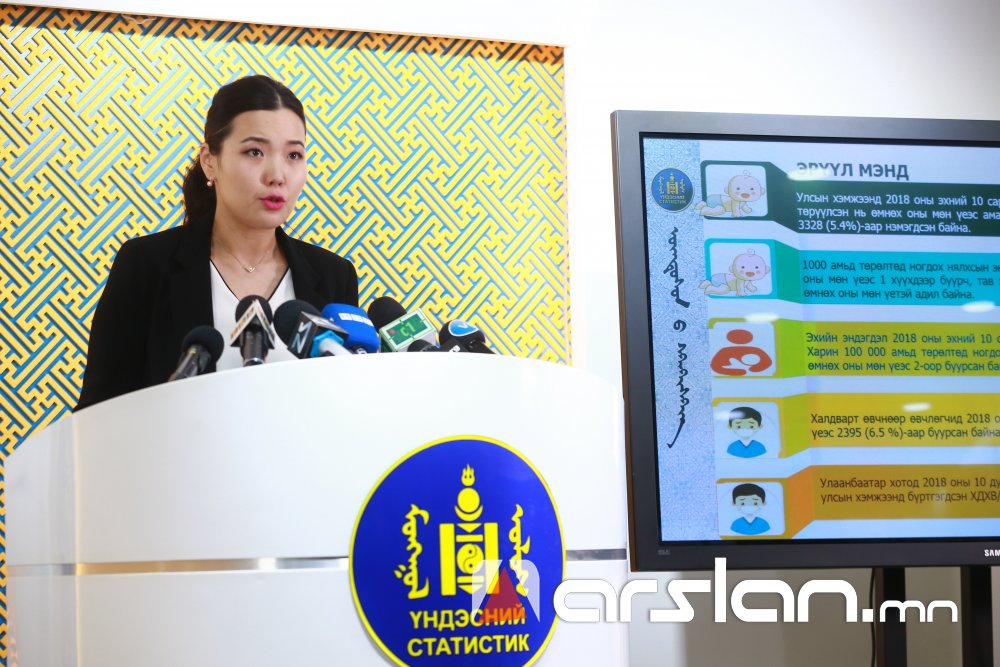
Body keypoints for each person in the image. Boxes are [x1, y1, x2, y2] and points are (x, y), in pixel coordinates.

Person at [75, 75, 358, 410]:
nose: (277, 175)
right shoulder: (147, 265)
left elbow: (345, 406)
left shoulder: (334, 275)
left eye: (294, 155)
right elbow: (99, 409)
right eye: (255, 152)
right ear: (210, 161)